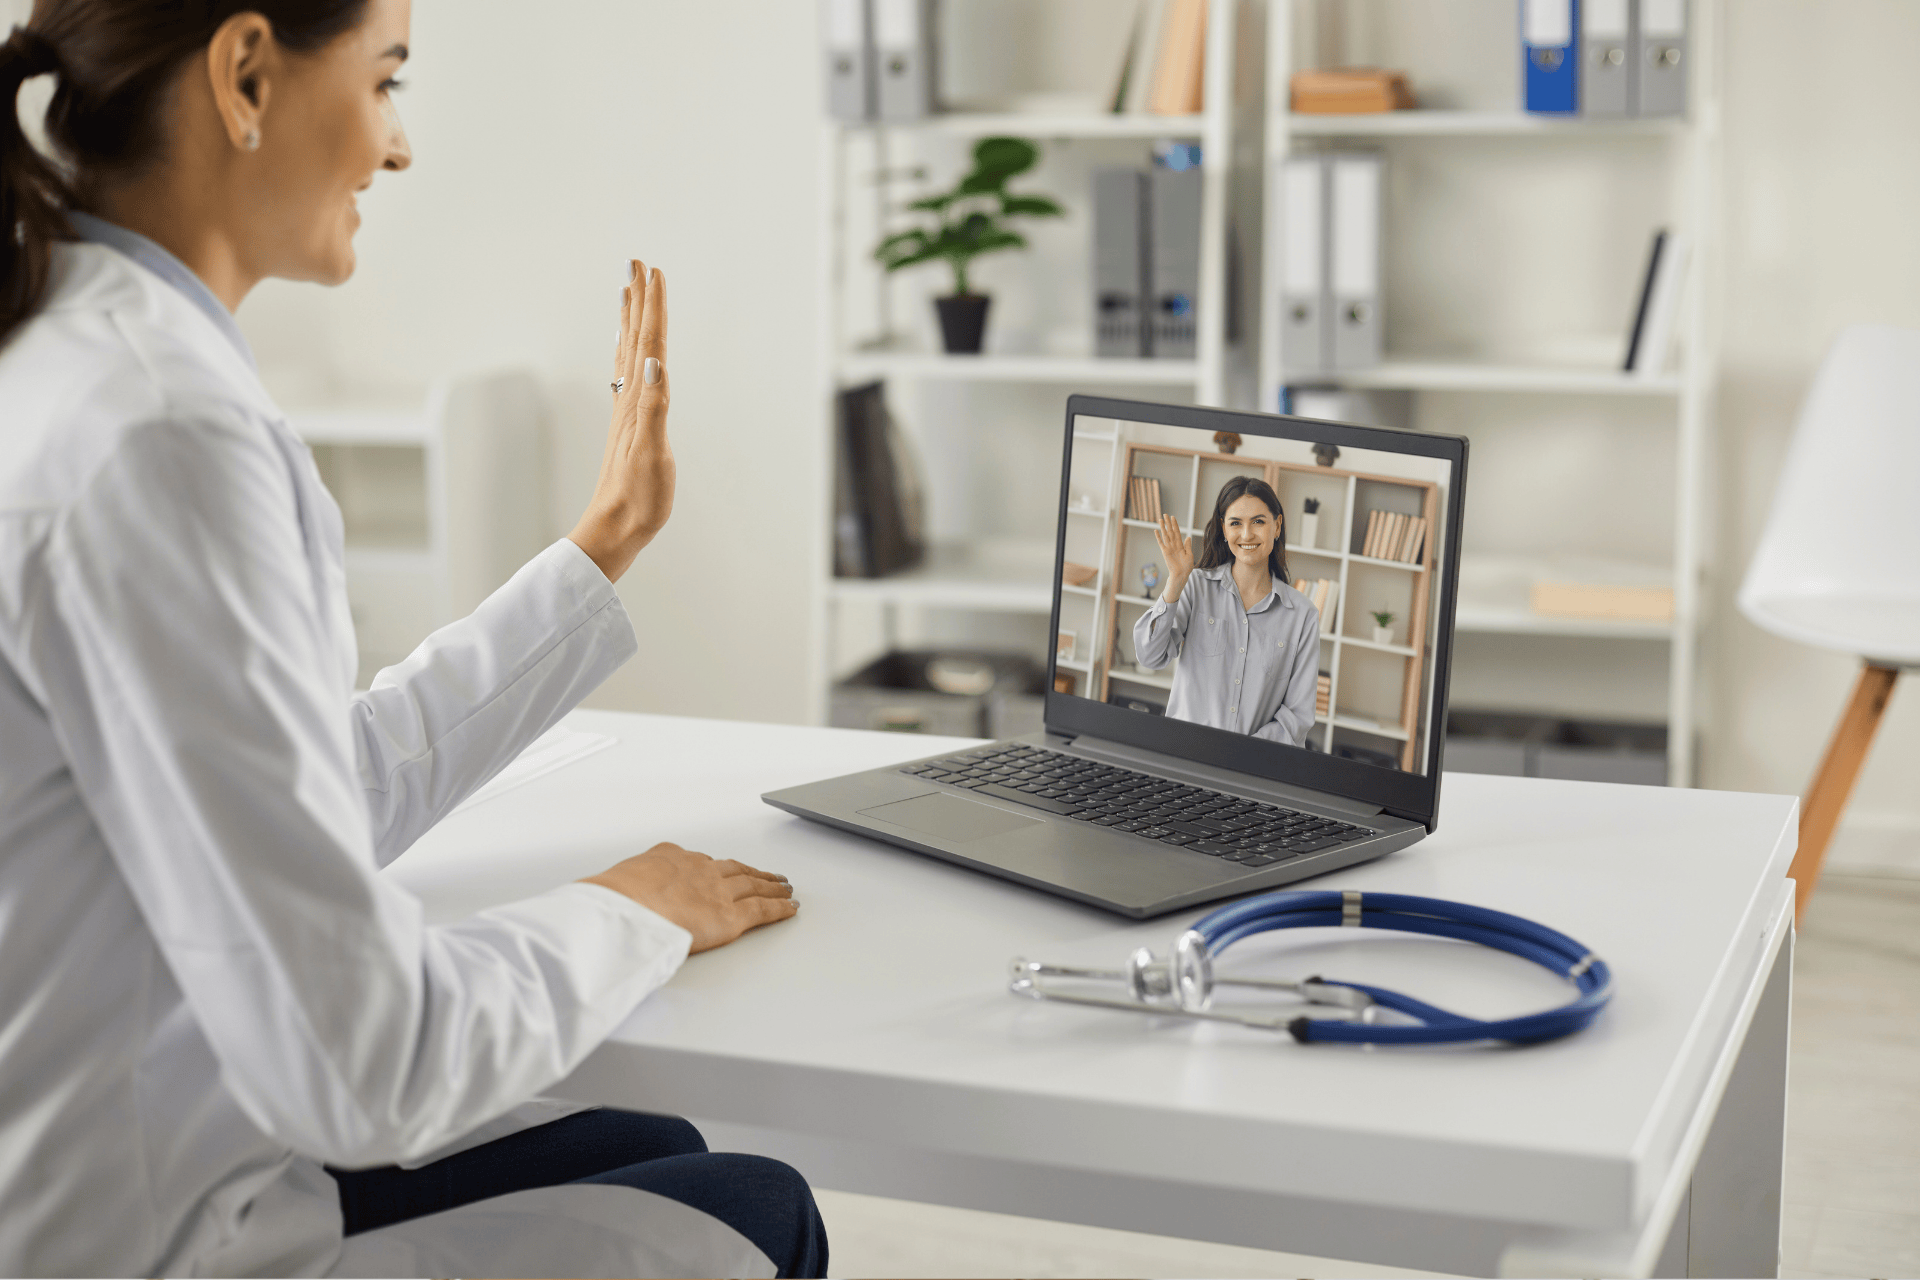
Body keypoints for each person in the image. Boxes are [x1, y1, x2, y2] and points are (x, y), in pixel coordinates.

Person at [0, 3, 825, 1276]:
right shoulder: (157, 431)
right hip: (136, 1235)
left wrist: (598, 545)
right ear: (246, 75)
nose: (396, 147)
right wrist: (623, 909)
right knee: (756, 1214)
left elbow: (310, 786)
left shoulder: (82, 351)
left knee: (654, 1133)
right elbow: (363, 1060)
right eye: (384, 81)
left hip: (152, 1145)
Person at [1132, 477, 1320, 746]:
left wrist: (1242, 754)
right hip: (1183, 756)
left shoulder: (1303, 615)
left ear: (1276, 526)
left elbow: (1298, 716)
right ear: (1223, 529)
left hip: (1253, 769)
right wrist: (1175, 580)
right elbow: (1150, 656)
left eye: (1258, 521)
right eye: (1235, 523)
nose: (1246, 535)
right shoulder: (1195, 586)